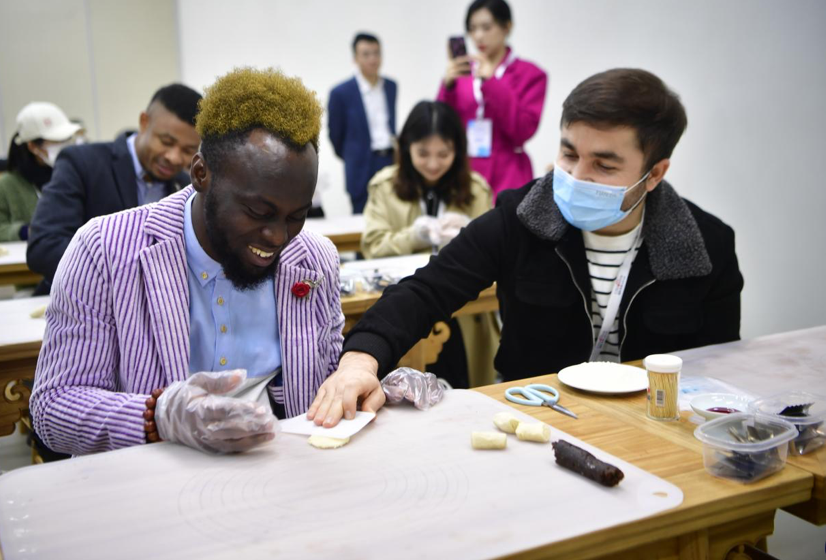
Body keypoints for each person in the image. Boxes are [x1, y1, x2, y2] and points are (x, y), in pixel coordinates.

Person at [309, 68, 744, 427]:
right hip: (533, 415)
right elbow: (426, 291)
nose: (576, 175)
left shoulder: (706, 247)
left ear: (654, 174)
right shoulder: (522, 218)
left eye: (604, 165)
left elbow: (716, 372)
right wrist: (360, 361)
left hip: (652, 426)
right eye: (569, 153)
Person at [30, 67, 351, 456]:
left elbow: (329, 380)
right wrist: (158, 417)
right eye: (258, 211)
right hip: (151, 490)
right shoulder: (104, 251)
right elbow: (52, 407)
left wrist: (363, 379)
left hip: (284, 478)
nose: (278, 237)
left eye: (296, 215)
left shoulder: (313, 258)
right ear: (201, 174)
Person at [361, 100, 496, 387]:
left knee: (463, 389)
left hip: (463, 313)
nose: (433, 164)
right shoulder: (384, 186)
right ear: (406, 147)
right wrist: (416, 235)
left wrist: (470, 239)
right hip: (401, 306)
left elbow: (496, 262)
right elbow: (372, 246)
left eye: (443, 154)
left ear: (457, 150)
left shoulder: (475, 190)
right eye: (422, 153)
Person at [26, 83, 202, 289]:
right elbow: (44, 247)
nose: (173, 158)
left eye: (188, 150)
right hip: (84, 304)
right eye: (166, 142)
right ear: (144, 122)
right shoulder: (83, 163)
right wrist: (132, 276)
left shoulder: (185, 186)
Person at [438, 0, 547, 199]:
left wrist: (492, 83)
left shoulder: (531, 74)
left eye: (486, 27)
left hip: (508, 174)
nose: (478, 36)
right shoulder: (462, 73)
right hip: (464, 173)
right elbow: (441, 128)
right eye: (472, 28)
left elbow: (522, 131)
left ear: (507, 27)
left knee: (505, 228)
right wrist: (447, 87)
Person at [0, 102, 80, 244]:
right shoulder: (8, 185)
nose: (63, 146)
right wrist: (24, 231)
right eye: (55, 141)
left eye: (66, 140)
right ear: (32, 146)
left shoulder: (74, 176)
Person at [328, 32, 397, 213]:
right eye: (366, 54)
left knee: (392, 213)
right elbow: (335, 135)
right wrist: (353, 155)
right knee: (363, 219)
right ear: (355, 58)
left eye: (376, 53)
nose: (373, 59)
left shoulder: (391, 86)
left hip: (389, 160)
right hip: (360, 165)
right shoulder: (341, 93)